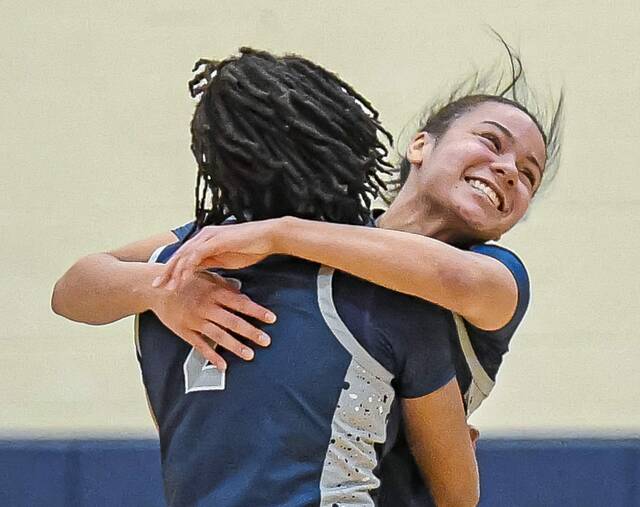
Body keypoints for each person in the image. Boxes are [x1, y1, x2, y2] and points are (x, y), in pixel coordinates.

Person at [52, 48, 481, 506]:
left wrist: (157, 289)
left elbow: (70, 290)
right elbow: (458, 495)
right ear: (346, 148)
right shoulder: (387, 290)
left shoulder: (178, 262)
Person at [151, 45, 562, 505]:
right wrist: (158, 290)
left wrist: (280, 233)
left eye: (529, 175)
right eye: (492, 141)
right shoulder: (318, 236)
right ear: (421, 145)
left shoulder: (499, 275)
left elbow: (447, 277)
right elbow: (81, 283)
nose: (509, 170)